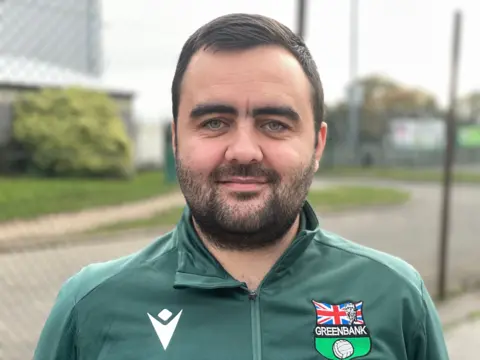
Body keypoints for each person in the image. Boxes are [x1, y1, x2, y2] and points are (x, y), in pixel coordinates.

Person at [33, 13, 449, 360]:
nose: (244, 151)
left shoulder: (394, 296)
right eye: (214, 123)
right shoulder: (90, 305)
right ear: (176, 140)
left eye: (274, 124)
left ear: (317, 143)